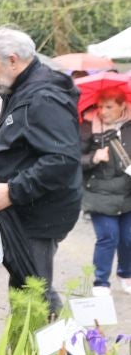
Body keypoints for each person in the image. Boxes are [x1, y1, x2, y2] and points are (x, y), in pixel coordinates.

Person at [0, 27, 82, 317]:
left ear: (12, 60)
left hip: (39, 212)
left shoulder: (43, 96)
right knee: (26, 288)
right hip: (28, 209)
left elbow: (62, 159)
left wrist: (12, 190)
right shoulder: (20, 89)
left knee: (35, 292)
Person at [79, 89, 131, 296]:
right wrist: (93, 157)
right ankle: (101, 281)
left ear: (123, 106)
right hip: (98, 192)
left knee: (128, 237)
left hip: (128, 192)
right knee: (108, 236)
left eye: (109, 106)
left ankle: (126, 273)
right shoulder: (87, 127)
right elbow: (74, 159)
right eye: (100, 106)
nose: (102, 111)